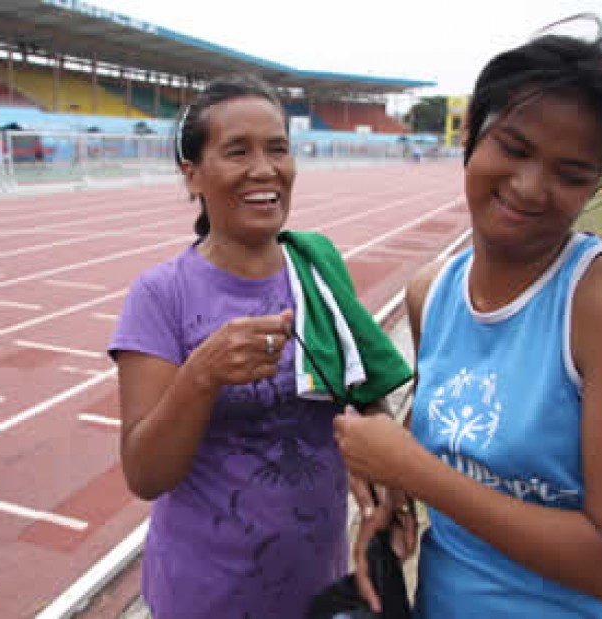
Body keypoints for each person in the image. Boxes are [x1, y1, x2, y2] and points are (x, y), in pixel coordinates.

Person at [333, 14, 602, 618]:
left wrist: (414, 470)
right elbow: (451, 426)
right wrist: (391, 492)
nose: (531, 186)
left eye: (571, 175)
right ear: (472, 138)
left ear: (595, 186)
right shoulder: (431, 293)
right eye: (514, 148)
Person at [108, 74, 411, 619]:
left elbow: (362, 387)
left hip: (318, 582)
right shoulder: (160, 295)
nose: (265, 169)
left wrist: (384, 473)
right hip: (203, 593)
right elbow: (145, 474)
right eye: (237, 151)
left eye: (278, 149)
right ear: (192, 174)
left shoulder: (316, 266)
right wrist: (201, 376)